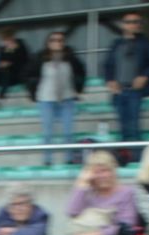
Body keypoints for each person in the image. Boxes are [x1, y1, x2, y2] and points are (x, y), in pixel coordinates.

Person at [102, 11, 149, 162]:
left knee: (134, 127)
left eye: (136, 22)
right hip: (119, 91)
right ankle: (126, 158)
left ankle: (136, 159)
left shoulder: (145, 43)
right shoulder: (116, 44)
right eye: (130, 22)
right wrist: (110, 80)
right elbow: (107, 65)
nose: (133, 25)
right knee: (123, 128)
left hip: (135, 91)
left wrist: (144, 76)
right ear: (123, 25)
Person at [28, 30, 86, 165]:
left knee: (68, 131)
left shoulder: (70, 58)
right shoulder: (39, 58)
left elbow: (81, 73)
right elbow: (29, 75)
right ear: (48, 43)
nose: (57, 43)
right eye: (54, 40)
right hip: (46, 99)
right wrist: (33, 92)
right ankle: (47, 159)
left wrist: (78, 89)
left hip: (67, 98)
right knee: (47, 131)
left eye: (60, 40)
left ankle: (69, 158)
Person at [0, 27, 30, 103]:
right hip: (8, 73)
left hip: (19, 71)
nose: (6, 41)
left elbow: (24, 59)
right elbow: (1, 60)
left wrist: (10, 62)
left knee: (7, 72)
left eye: (7, 38)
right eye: (4, 39)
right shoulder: (2, 49)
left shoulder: (21, 45)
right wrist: (1, 64)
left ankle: (2, 94)